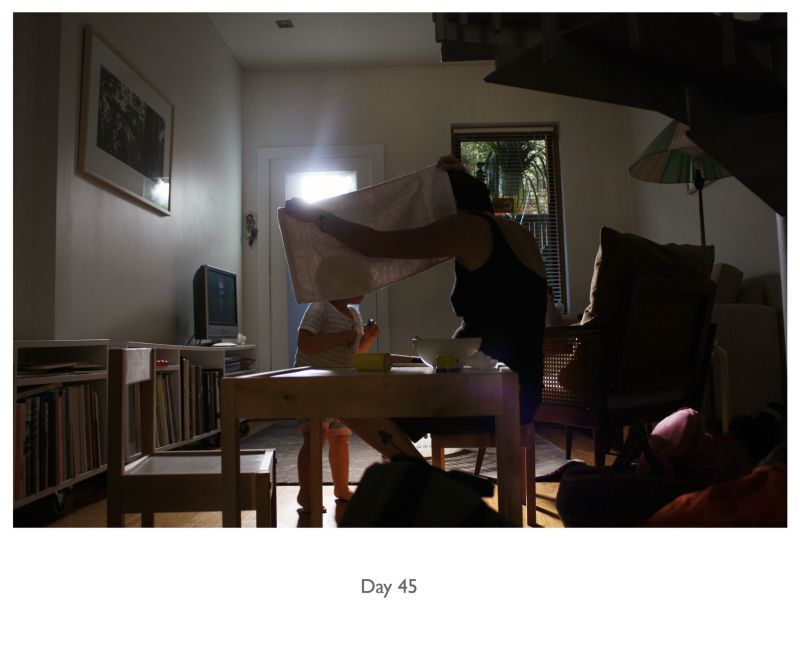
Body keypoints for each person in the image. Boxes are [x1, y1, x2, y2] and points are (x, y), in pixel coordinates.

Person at [284, 155, 548, 459]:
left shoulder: (469, 227)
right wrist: (460, 178)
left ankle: (418, 475)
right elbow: (507, 309)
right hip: (521, 391)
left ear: (449, 205)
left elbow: (373, 245)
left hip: (489, 392)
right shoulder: (518, 234)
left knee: (346, 398)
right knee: (384, 393)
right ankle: (416, 473)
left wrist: (318, 216)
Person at [294, 295, 380, 511]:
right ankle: (307, 493)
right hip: (314, 386)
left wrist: (368, 339)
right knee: (315, 436)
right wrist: (339, 337)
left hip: (339, 387)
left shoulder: (354, 314)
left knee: (341, 438)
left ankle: (341, 488)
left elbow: (354, 353)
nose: (362, 289)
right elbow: (305, 343)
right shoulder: (320, 307)